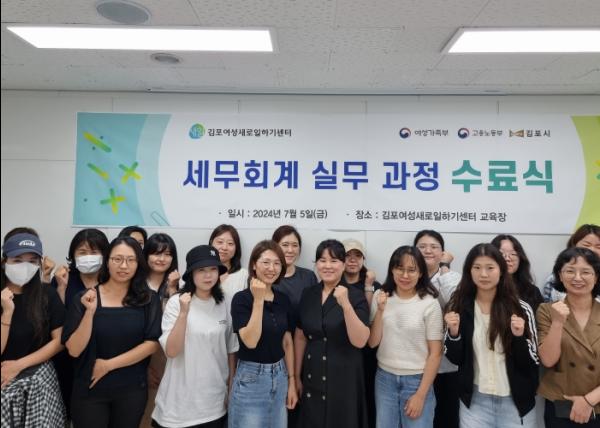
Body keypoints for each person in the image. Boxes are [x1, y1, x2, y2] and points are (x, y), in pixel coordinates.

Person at [62, 236, 162, 428]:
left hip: (131, 390)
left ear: (138, 264)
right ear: (107, 261)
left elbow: (151, 345)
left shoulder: (148, 299)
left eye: (130, 260)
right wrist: (89, 312)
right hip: (90, 390)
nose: (123, 266)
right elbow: (73, 350)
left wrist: (108, 365)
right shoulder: (85, 298)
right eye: (117, 259)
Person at [444, 243, 539, 428]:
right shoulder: (459, 306)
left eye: (490, 268)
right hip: (475, 402)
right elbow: (455, 359)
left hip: (515, 403)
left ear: (501, 271)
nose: (484, 274)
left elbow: (531, 362)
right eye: (477, 268)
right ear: (469, 271)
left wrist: (519, 338)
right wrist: (453, 333)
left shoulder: (520, 308)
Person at [152, 245, 238, 428]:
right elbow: (172, 351)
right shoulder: (176, 303)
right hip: (178, 406)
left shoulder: (225, 303)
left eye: (213, 269)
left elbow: (230, 349)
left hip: (214, 402)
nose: (208, 275)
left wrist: (231, 387)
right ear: (191, 274)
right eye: (201, 270)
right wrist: (184, 313)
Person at [294, 239, 370, 428]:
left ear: (343, 265)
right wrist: (295, 376)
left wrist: (346, 304)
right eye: (322, 260)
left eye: (334, 261)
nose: (327, 266)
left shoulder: (356, 295)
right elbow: (301, 336)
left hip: (344, 377)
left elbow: (360, 341)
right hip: (312, 373)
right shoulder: (308, 293)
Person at [368, 246, 442, 428]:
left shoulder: (430, 303)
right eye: (400, 269)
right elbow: (373, 342)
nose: (405, 275)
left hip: (417, 380)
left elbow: (435, 353)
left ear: (421, 273)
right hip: (385, 379)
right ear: (392, 270)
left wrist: (421, 395)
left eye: (412, 270)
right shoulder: (380, 296)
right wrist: (380, 311)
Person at [228, 240, 297, 428]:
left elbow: (287, 342)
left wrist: (291, 381)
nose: (271, 268)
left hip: (280, 375)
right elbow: (250, 341)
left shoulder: (283, 299)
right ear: (254, 265)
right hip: (251, 379)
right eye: (266, 262)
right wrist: (258, 300)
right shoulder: (241, 299)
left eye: (277, 263)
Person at [1, 231, 66, 427]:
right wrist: (7, 313)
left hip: (39, 382)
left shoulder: (47, 294)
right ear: (4, 261)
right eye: (17, 260)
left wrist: (19, 365)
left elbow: (60, 340)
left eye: (32, 261)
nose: (25, 266)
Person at [537, 247, 600, 427]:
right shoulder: (546, 310)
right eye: (570, 271)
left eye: (585, 272)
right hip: (561, 403)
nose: (577, 278)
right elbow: (548, 360)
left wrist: (588, 400)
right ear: (560, 275)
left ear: (596, 277)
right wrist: (558, 322)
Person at [51, 227, 110, 421]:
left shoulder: (112, 281)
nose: (88, 257)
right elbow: (56, 318)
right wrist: (61, 288)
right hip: (67, 358)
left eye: (94, 252)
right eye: (82, 252)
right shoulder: (63, 279)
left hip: (101, 359)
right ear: (73, 255)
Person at [413, 229, 461, 428]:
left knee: (445, 418)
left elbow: (456, 303)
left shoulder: (452, 277)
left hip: (446, 365)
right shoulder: (408, 278)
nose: (428, 251)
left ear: (443, 252)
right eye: (422, 246)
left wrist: (444, 268)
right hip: (415, 363)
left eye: (434, 247)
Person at [140, 233, 181, 428]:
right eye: (156, 253)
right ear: (146, 256)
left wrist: (172, 288)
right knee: (144, 414)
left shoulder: (180, 286)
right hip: (140, 356)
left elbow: (178, 322)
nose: (162, 259)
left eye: (167, 254)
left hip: (169, 357)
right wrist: (144, 366)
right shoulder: (135, 285)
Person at [342, 238, 381, 428]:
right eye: (347, 255)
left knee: (368, 399)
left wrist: (368, 286)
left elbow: (369, 318)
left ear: (363, 259)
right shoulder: (333, 283)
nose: (352, 260)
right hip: (343, 352)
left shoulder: (375, 285)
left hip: (368, 353)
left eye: (357, 255)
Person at [542, 224, 600, 302]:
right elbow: (548, 305)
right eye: (586, 245)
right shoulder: (555, 277)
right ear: (574, 245)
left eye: (598, 247)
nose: (592, 250)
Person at [491, 234, 543, 313]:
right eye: (501, 254)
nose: (507, 258)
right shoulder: (485, 289)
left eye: (513, 254)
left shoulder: (532, 292)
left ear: (520, 259)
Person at [272, 225, 318, 311]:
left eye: (295, 245)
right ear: (274, 247)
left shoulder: (309, 276)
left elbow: (315, 309)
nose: (290, 250)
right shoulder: (267, 277)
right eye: (285, 245)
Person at [209, 225, 248, 298]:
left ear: (236, 248)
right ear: (211, 243)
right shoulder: (200, 272)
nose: (224, 248)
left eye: (230, 243)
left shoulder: (244, 275)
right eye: (220, 242)